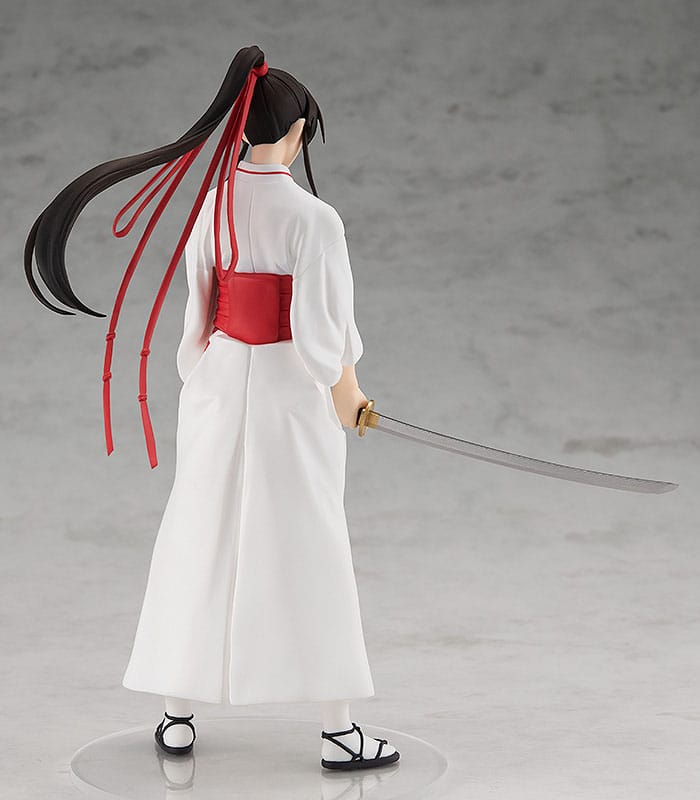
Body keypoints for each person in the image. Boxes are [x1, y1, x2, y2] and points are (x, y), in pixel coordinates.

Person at [24, 44, 399, 771]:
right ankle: (339, 731)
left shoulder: (213, 207)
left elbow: (196, 314)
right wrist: (347, 392)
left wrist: (205, 374)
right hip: (289, 388)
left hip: (219, 382)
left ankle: (176, 715)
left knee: (201, 531)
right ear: (297, 133)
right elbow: (324, 331)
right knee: (309, 540)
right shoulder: (315, 219)